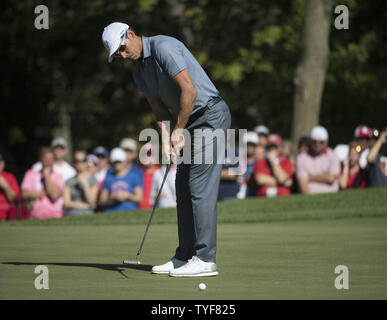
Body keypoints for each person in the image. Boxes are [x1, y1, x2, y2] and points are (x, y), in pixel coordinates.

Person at [102, 22, 231, 276]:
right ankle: (184, 255)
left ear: (130, 34)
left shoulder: (164, 47)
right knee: (182, 186)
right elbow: (160, 112)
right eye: (118, 54)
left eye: (122, 48)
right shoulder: (139, 72)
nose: (123, 55)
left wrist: (179, 130)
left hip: (210, 115)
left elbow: (189, 90)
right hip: (190, 123)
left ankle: (205, 259)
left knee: (198, 186)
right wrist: (167, 140)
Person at [21, 148, 65, 219]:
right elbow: (24, 194)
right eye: (46, 159)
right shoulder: (31, 174)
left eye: (51, 159)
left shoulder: (58, 176)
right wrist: (42, 193)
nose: (48, 162)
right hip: (35, 214)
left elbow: (54, 195)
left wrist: (47, 176)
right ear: (41, 159)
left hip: (54, 214)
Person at [296, 126, 340, 195]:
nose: (317, 144)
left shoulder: (333, 155)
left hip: (331, 196)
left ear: (326, 142)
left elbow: (331, 179)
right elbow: (303, 183)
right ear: (310, 141)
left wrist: (309, 177)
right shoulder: (301, 157)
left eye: (321, 142)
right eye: (314, 142)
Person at [99, 147, 143, 212]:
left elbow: (139, 198)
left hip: (130, 211)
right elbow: (102, 201)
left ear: (124, 161)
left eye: (119, 162)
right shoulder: (108, 178)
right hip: (112, 212)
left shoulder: (133, 176)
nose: (117, 164)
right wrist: (113, 197)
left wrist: (127, 196)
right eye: (115, 162)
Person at [63, 150, 99, 216]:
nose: (80, 164)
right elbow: (66, 203)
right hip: (72, 215)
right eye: (77, 161)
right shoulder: (69, 181)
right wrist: (85, 206)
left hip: (88, 215)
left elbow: (91, 201)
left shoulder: (94, 180)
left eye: (83, 160)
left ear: (86, 162)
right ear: (73, 163)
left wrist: (85, 183)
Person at [0, 153, 22, 220]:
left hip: (6, 217)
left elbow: (14, 199)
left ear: (2, 164)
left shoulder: (10, 177)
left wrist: (5, 186)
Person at [139, 143, 160, 209]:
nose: (148, 157)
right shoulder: (137, 172)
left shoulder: (161, 172)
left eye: (150, 154)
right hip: (138, 209)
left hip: (156, 208)